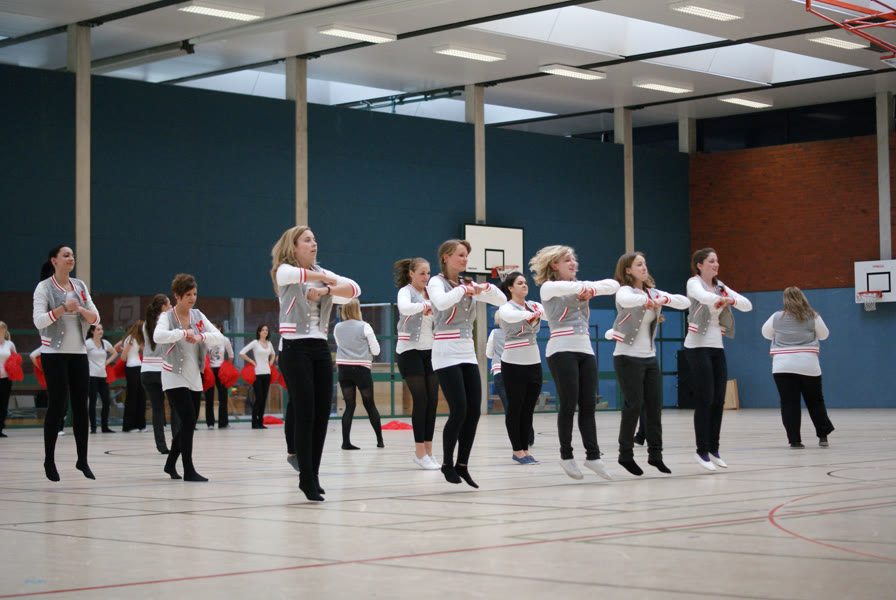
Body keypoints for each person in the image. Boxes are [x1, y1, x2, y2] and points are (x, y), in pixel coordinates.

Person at [271, 226, 360, 502]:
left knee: (322, 413)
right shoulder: (284, 271)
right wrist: (326, 279)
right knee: (305, 412)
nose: (314, 244)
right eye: (307, 240)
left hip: (320, 347)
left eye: (315, 240)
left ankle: (314, 475)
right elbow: (296, 275)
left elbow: (355, 289)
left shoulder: (321, 275)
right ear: (294, 247)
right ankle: (305, 477)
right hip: (294, 347)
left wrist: (325, 290)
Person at [530, 245, 618, 481]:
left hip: (585, 349)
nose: (573, 263)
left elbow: (613, 285)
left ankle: (593, 457)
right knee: (569, 403)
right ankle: (566, 455)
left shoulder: (581, 286)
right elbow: (569, 288)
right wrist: (586, 289)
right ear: (554, 265)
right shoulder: (549, 288)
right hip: (561, 350)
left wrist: (590, 289)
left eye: (573, 259)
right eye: (567, 260)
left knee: (588, 405)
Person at [427, 239, 506, 488]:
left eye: (466, 256)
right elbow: (441, 302)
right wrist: (465, 290)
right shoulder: (436, 282)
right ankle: (446, 463)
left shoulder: (467, 283)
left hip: (467, 352)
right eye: (460, 255)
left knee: (473, 412)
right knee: (459, 410)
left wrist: (484, 288)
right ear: (446, 257)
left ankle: (463, 464)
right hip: (445, 351)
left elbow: (502, 300)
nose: (464, 259)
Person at [607, 252, 689, 476]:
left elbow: (685, 302)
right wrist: (647, 301)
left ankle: (656, 455)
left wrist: (663, 300)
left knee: (654, 407)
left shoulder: (654, 292)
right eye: (639, 264)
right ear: (628, 270)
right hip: (626, 356)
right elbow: (627, 300)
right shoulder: (624, 291)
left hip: (650, 358)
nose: (644, 268)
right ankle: (625, 455)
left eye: (645, 264)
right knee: (633, 405)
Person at [32, 245, 101, 481]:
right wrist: (62, 308)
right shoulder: (44, 287)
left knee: (82, 406)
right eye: (66, 255)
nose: (71, 258)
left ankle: (82, 460)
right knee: (58, 404)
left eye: (72, 255)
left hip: (78, 353)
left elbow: (95, 317)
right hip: (53, 353)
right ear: (54, 260)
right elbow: (39, 321)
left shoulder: (80, 286)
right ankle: (49, 460)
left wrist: (80, 308)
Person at [154, 273, 227, 482]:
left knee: (189, 422)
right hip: (173, 374)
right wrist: (181, 333)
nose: (192, 298)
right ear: (177, 296)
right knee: (187, 420)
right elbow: (158, 336)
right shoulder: (167, 317)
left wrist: (201, 336)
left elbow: (219, 337)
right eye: (188, 294)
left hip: (194, 375)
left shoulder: (198, 315)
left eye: (194, 293)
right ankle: (188, 470)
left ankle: (170, 463)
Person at [685, 248, 752, 471]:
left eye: (717, 261)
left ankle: (714, 449)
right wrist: (722, 299)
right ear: (700, 265)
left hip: (717, 347)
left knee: (718, 400)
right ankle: (701, 451)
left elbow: (747, 304)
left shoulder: (721, 286)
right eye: (711, 261)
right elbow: (704, 298)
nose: (716, 264)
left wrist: (729, 299)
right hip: (697, 347)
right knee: (705, 398)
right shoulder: (694, 283)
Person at [761, 286, 835, 449]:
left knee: (789, 403)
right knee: (815, 400)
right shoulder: (813, 316)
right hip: (808, 364)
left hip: (782, 365)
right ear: (802, 297)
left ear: (784, 299)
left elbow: (765, 333)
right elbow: (824, 335)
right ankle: (823, 436)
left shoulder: (776, 316)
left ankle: (794, 440)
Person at [394, 258, 440, 470]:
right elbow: (405, 308)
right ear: (411, 273)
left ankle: (429, 452)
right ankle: (419, 452)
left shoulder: (432, 293)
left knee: (432, 401)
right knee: (421, 400)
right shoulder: (406, 292)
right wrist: (427, 305)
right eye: (422, 273)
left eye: (428, 273)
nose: (426, 277)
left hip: (431, 351)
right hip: (409, 350)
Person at [495, 271, 546, 465]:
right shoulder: (506, 307)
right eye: (519, 283)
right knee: (515, 407)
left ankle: (525, 449)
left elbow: (549, 314)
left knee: (528, 409)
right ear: (510, 288)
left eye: (525, 282)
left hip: (534, 362)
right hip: (513, 363)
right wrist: (532, 314)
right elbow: (512, 316)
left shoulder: (534, 305)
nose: (524, 285)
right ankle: (517, 450)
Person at [334, 299, 383, 450]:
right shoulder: (365, 326)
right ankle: (380, 440)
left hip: (344, 369)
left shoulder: (337, 327)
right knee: (369, 404)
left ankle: (346, 442)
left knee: (349, 406)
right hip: (361, 369)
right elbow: (376, 351)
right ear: (357, 310)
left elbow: (340, 345)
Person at [141, 294, 176, 454]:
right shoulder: (166, 324)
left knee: (157, 409)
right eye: (169, 304)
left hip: (147, 369)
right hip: (162, 368)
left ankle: (161, 445)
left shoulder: (146, 324)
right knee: (175, 406)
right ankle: (177, 441)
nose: (171, 307)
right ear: (163, 307)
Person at [239, 324, 275, 429]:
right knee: (259, 398)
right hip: (257, 373)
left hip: (267, 373)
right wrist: (251, 361)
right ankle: (254, 422)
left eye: (266, 330)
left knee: (264, 399)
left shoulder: (269, 343)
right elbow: (242, 352)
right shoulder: (255, 343)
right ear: (259, 332)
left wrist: (271, 362)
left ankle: (260, 422)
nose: (265, 332)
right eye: (263, 330)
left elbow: (273, 354)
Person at [86, 325, 118, 434]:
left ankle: (105, 427)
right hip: (91, 376)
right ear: (92, 331)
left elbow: (114, 353)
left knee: (106, 401)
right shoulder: (88, 343)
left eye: (102, 329)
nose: (101, 331)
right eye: (98, 329)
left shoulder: (105, 343)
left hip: (103, 376)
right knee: (92, 402)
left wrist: (107, 362)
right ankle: (93, 427)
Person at [117, 321, 146, 432]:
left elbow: (117, 347)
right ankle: (130, 425)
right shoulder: (130, 339)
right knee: (132, 397)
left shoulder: (136, 339)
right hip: (132, 368)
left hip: (138, 367)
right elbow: (123, 357)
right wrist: (129, 355)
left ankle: (140, 425)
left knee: (140, 396)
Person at [204, 322, 234, 429]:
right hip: (210, 370)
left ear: (220, 328)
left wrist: (226, 367)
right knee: (209, 397)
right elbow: (203, 355)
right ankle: (210, 423)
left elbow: (231, 355)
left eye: (214, 327)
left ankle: (223, 423)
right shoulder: (206, 340)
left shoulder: (225, 339)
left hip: (221, 370)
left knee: (223, 397)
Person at [0, 321, 17, 438]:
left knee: (3, 403)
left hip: (6, 378)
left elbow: (16, 358)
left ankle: (0, 427)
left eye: (2, 330)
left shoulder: (10, 344)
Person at [485, 324, 506, 412]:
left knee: (506, 403)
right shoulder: (517, 332)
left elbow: (488, 353)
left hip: (499, 370)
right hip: (514, 369)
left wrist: (495, 355)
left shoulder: (494, 332)